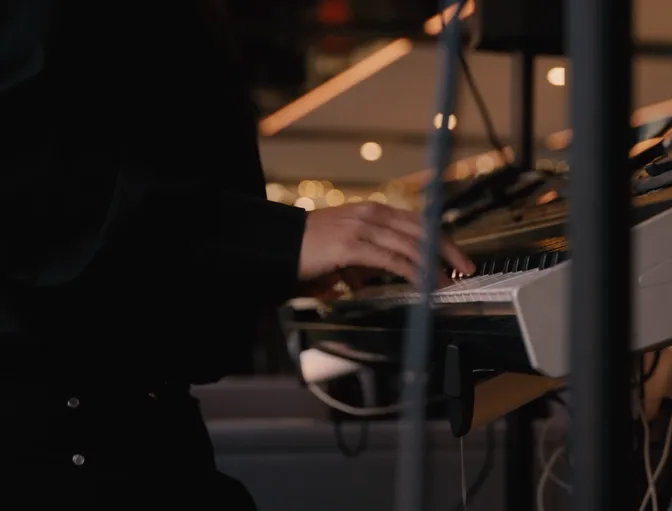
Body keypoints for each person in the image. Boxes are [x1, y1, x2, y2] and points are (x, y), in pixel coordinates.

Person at [0, 2, 474, 509]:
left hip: (143, 435)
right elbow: (27, 178)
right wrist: (275, 241)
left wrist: (257, 267)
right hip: (57, 448)